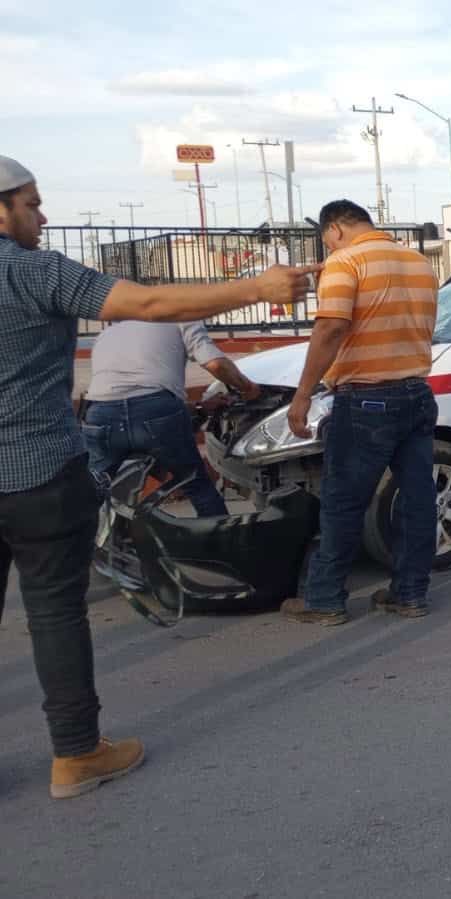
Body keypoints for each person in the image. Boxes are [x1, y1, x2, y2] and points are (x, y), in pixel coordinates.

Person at [0, 155, 317, 799]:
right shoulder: (32, 270)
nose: (43, 215)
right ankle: (77, 754)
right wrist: (255, 288)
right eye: (31, 204)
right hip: (37, 475)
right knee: (56, 616)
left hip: (73, 443)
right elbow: (145, 301)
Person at [279, 200, 438, 627]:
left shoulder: (344, 263)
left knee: (343, 503)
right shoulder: (418, 262)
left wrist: (302, 396)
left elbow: (330, 328)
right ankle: (410, 594)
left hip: (366, 400)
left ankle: (325, 599)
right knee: (418, 500)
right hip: (417, 394)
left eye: (325, 240)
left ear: (333, 230)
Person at [82, 321, 261, 517]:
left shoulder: (108, 332)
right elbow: (215, 363)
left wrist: (200, 407)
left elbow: (128, 397)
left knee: (90, 491)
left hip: (100, 414)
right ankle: (222, 543)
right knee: (196, 484)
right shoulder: (180, 318)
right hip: (157, 415)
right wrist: (249, 389)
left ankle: (82, 544)